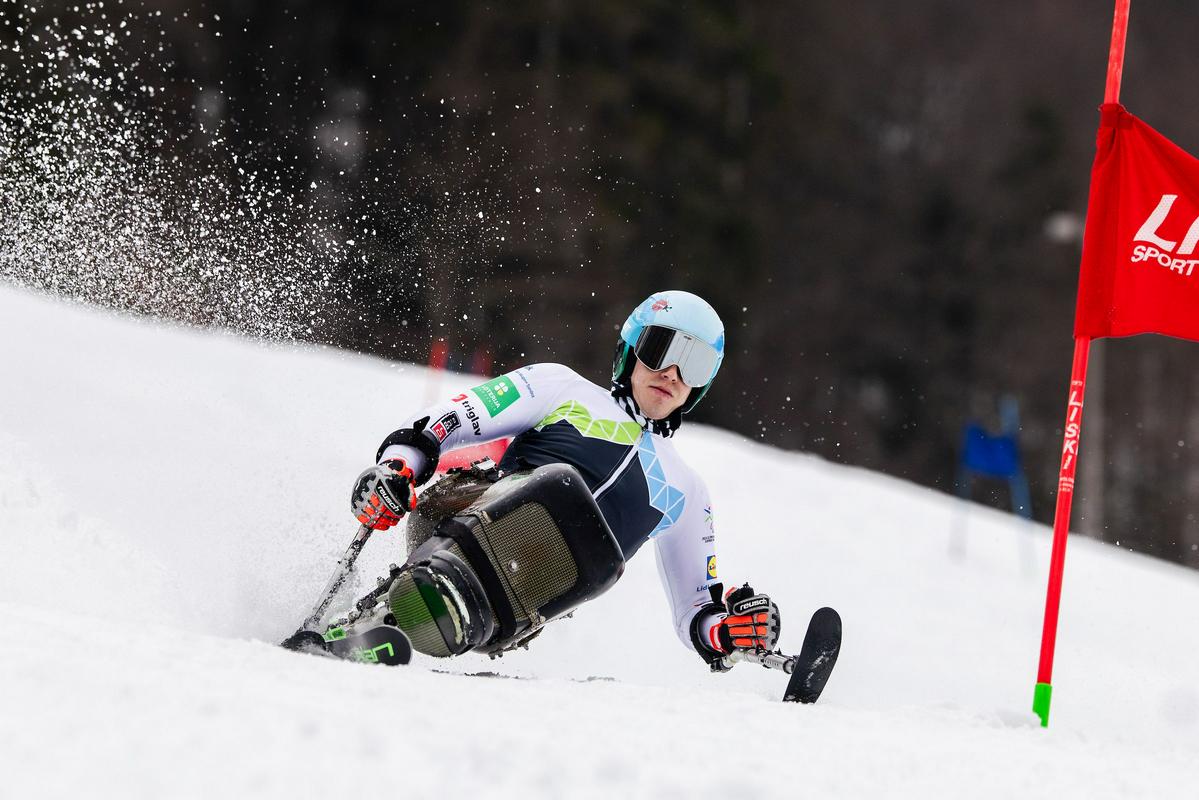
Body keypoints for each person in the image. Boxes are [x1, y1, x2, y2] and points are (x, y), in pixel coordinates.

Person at [343, 290, 781, 670]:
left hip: (519, 599)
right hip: (458, 518)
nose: (672, 373)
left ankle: (404, 625)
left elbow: (696, 610)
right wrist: (399, 466)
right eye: (661, 349)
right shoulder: (562, 388)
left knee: (602, 557)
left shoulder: (686, 491)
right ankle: (375, 619)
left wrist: (728, 632)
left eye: (695, 365)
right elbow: (452, 419)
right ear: (630, 349)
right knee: (560, 488)